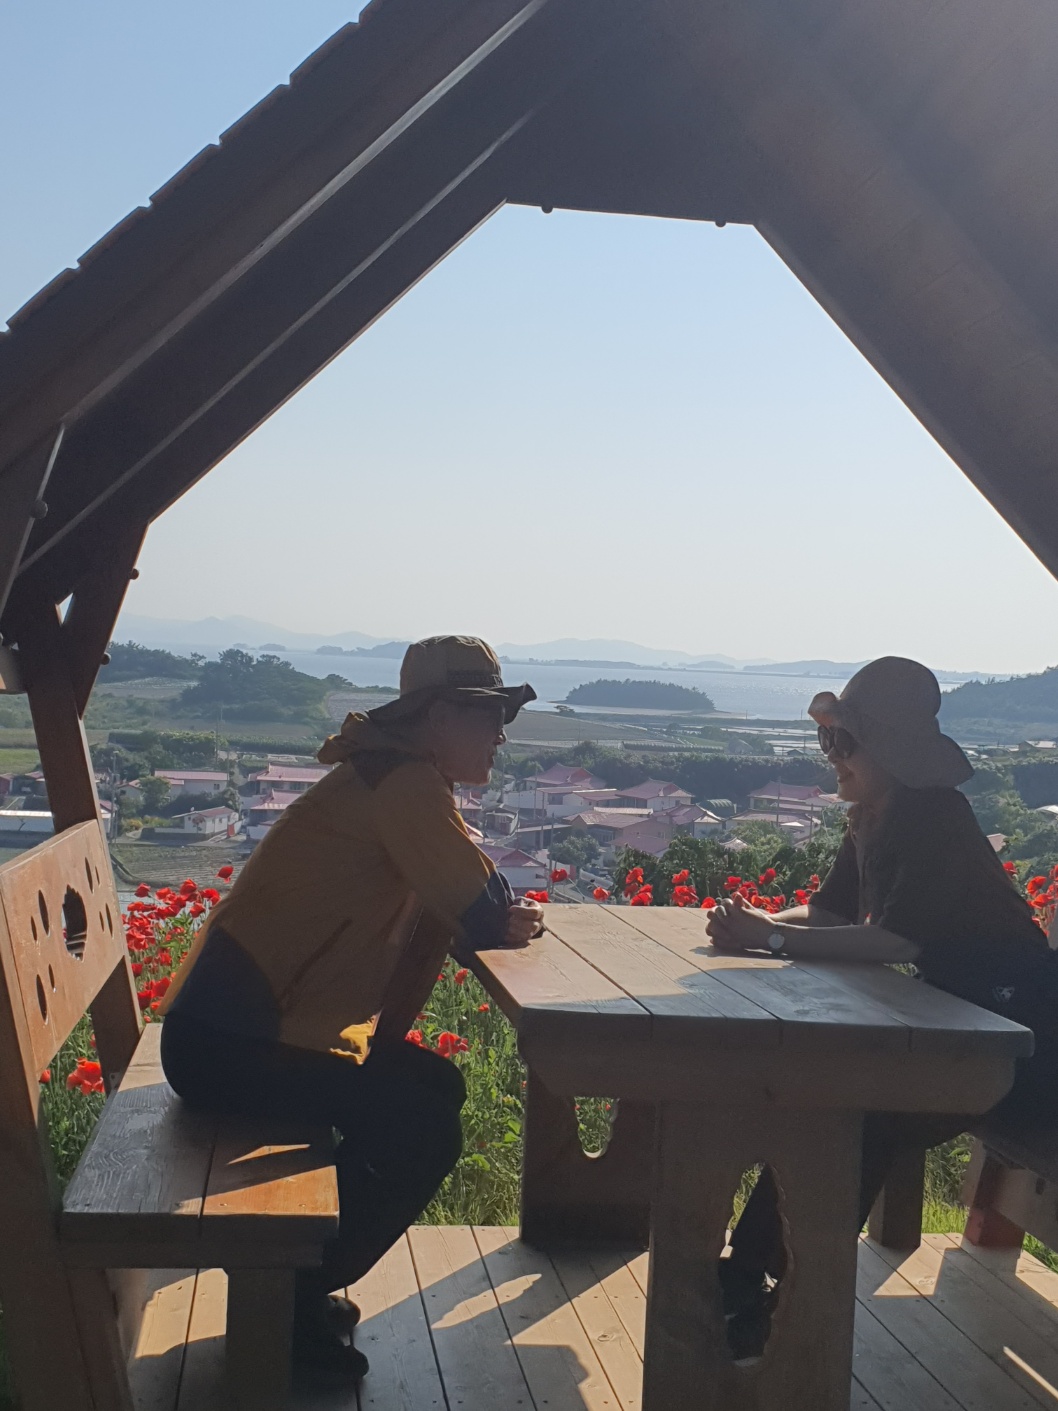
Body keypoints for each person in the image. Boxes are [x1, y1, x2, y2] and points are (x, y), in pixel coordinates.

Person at [159, 636, 543, 1384]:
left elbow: (467, 904)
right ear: (437, 717)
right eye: (489, 715)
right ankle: (287, 1298)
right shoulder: (404, 784)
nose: (501, 736)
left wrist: (487, 912)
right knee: (421, 1123)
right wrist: (498, 916)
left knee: (433, 1088)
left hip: (235, 1033)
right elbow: (482, 908)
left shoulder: (390, 772)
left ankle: (302, 1282)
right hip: (235, 1041)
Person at [704, 655, 1058, 1360]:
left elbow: (898, 938)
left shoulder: (934, 816)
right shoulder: (872, 814)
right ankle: (753, 1278)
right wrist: (757, 925)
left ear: (889, 751)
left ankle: (784, 1302)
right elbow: (830, 913)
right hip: (968, 1021)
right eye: (827, 739)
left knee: (860, 1111)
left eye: (844, 741)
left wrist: (770, 938)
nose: (832, 755)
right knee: (843, 1101)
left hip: (1025, 1042)